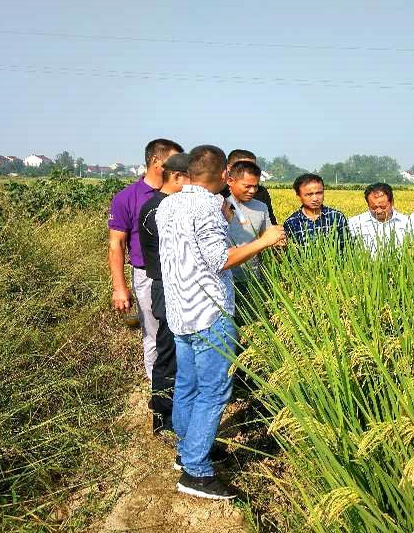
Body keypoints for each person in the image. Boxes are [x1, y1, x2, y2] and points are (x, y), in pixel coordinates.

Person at [156, 145, 285, 499]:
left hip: (180, 311)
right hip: (209, 314)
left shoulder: (168, 204)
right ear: (225, 175)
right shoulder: (209, 207)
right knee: (214, 391)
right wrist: (264, 240)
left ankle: (187, 450)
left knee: (188, 385)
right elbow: (220, 260)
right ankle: (196, 472)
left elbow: (191, 250)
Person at [108, 138, 183, 382]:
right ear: (156, 161)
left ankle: (180, 386)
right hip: (148, 275)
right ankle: (158, 389)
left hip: (183, 273)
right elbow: (116, 244)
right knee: (154, 334)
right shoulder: (127, 198)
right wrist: (120, 287)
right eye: (174, 160)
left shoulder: (182, 193)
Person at [137, 152, 191, 435]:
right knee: (168, 356)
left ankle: (176, 418)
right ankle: (163, 420)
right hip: (167, 289)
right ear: (178, 177)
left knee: (178, 356)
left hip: (178, 289)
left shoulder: (167, 205)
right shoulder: (158, 209)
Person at [223, 160, 275, 324]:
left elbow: (267, 235)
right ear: (230, 181)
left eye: (255, 186)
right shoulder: (219, 205)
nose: (252, 190)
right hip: (225, 279)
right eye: (247, 186)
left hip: (252, 278)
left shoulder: (261, 207)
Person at [282, 173, 349, 248]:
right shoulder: (291, 223)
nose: (315, 199)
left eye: (319, 193)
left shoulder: (337, 217)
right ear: (298, 196)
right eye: (309, 194)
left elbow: (347, 247)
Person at [348, 182, 409, 254]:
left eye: (383, 207)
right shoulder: (354, 223)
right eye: (373, 207)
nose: (379, 211)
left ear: (392, 202)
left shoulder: (406, 222)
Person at [220, 149, 278, 225]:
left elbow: (271, 225)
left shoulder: (261, 193)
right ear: (229, 168)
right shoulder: (218, 194)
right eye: (245, 166)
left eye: (253, 167)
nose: (252, 191)